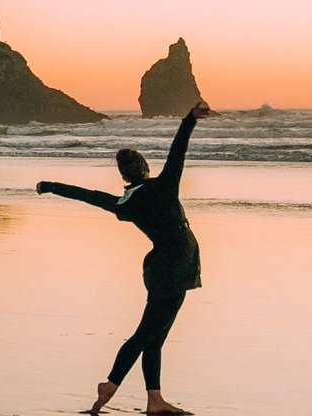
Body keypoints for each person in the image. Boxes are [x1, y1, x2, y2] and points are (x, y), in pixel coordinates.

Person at [35, 101, 214, 415]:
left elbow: (87, 195)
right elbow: (178, 150)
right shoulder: (164, 185)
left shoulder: (124, 202)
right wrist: (190, 118)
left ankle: (154, 400)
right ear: (145, 167)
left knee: (154, 339)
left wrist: (51, 186)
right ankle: (112, 384)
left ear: (125, 174)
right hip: (174, 268)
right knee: (146, 335)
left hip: (166, 268)